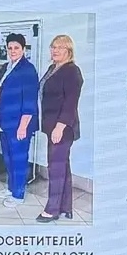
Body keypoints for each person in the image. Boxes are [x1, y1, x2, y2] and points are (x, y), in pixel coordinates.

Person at [37, 34, 83, 223]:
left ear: (69, 51)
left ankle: (52, 210)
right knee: (62, 166)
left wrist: (59, 127)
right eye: (53, 47)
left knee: (55, 167)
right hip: (52, 125)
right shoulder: (53, 68)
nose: (55, 50)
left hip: (62, 127)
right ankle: (66, 207)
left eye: (60, 47)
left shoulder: (72, 71)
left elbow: (71, 102)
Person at [0, 33, 39, 208]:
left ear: (23, 49)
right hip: (5, 122)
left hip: (19, 124)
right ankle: (11, 187)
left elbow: (29, 100)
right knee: (8, 158)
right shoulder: (8, 67)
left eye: (16, 48)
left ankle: (18, 194)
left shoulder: (28, 69)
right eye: (10, 48)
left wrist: (23, 126)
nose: (13, 51)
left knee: (19, 159)